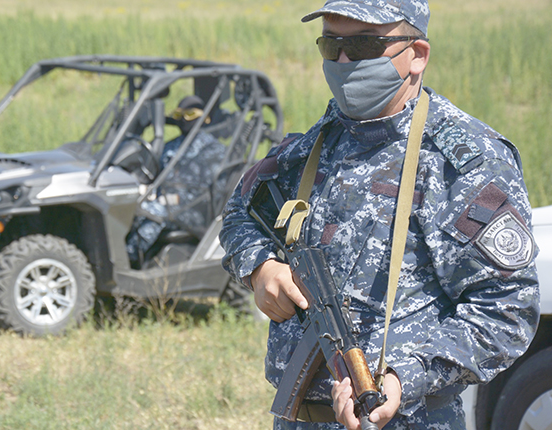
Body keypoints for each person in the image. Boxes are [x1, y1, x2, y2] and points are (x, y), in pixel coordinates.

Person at [219, 1, 540, 428]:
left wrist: (405, 377)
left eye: (365, 45)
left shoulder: (460, 163)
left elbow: (507, 307)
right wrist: (260, 267)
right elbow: (240, 210)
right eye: (331, 46)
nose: (344, 60)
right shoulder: (313, 148)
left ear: (417, 55)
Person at [127, 95, 226, 267]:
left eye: (190, 114)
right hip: (166, 203)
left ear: (203, 118)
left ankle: (130, 258)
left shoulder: (214, 151)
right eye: (179, 115)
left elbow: (207, 192)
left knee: (153, 212)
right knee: (130, 207)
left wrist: (170, 200)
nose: (183, 120)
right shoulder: (173, 145)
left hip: (193, 210)